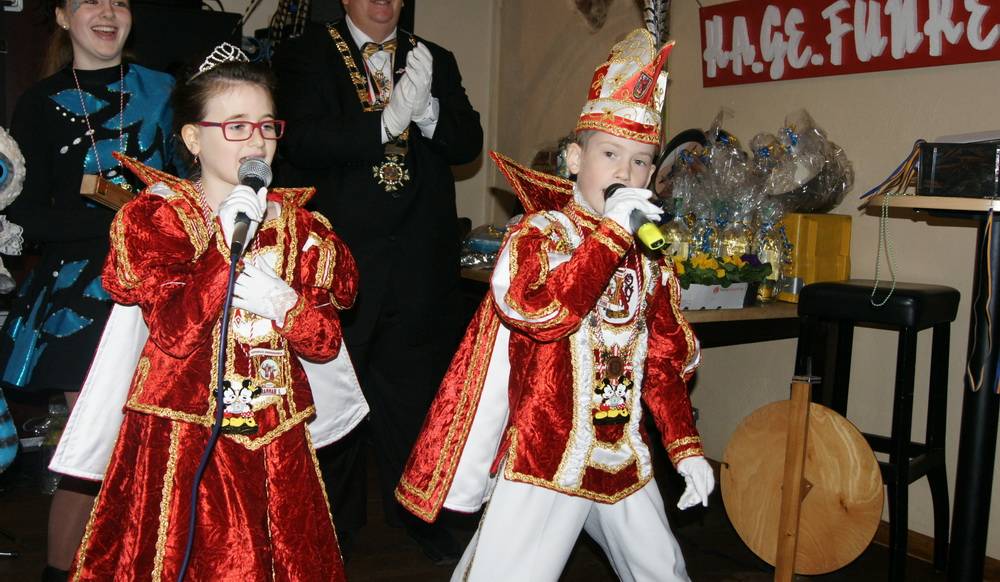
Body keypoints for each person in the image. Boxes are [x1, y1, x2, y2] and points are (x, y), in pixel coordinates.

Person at [395, 29, 717, 581]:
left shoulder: (649, 257)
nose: (625, 173)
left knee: (663, 571)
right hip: (546, 457)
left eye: (641, 163)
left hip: (621, 455)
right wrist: (612, 237)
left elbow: (662, 362)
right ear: (574, 158)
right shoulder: (540, 236)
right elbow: (543, 312)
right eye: (610, 154)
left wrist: (685, 448)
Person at [66, 44, 358, 580]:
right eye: (238, 126)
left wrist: (285, 305)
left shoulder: (302, 230)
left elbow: (324, 343)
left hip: (276, 438)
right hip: (184, 441)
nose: (258, 142)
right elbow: (175, 333)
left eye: (268, 126)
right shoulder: (158, 219)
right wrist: (225, 246)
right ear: (194, 138)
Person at [272, 0, 483, 563]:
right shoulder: (305, 53)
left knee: (416, 397)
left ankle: (418, 513)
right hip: (342, 259)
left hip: (419, 258)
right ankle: (332, 525)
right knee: (333, 397)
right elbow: (303, 142)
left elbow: (467, 145)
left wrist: (429, 111)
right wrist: (385, 124)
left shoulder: (435, 57)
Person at [0, 1, 174, 580]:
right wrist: (115, 220)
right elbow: (21, 212)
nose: (107, 12)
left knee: (156, 447)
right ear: (61, 15)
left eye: (120, 0)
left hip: (166, 291)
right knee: (95, 447)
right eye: (90, 0)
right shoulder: (40, 104)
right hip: (79, 299)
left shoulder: (169, 91)